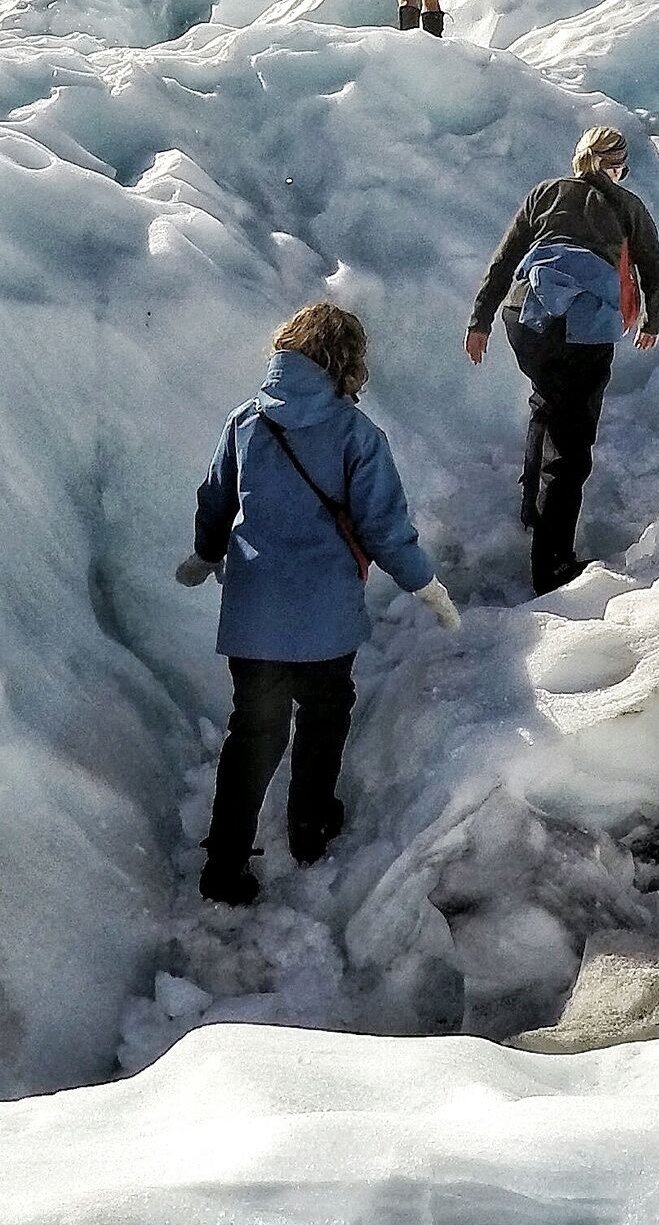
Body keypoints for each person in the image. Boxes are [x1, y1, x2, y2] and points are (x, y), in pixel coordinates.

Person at [175, 303, 460, 907]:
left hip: (254, 614)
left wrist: (204, 556)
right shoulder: (358, 436)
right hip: (326, 618)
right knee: (324, 716)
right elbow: (384, 529)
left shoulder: (244, 422)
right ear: (346, 363)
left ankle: (223, 866)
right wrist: (424, 584)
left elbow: (215, 499)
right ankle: (310, 829)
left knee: (253, 730)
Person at [465, 126, 659, 595]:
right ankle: (552, 565)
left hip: (526, 318)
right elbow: (657, 274)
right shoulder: (627, 206)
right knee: (572, 446)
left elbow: (504, 260)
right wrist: (652, 322)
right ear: (616, 166)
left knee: (548, 401)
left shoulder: (545, 193)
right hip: (585, 330)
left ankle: (531, 509)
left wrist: (480, 321)